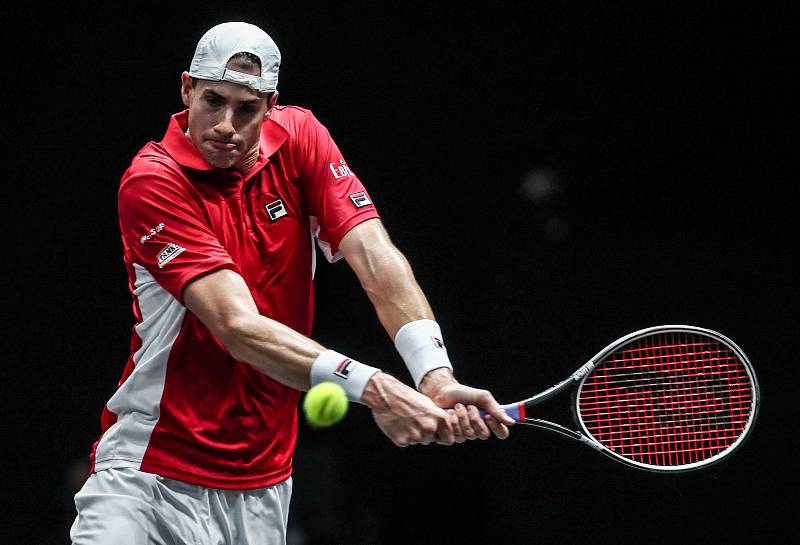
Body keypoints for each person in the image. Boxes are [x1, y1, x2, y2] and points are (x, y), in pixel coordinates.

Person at [70, 21, 514, 545]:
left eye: (246, 109)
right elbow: (237, 326)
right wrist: (377, 390)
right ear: (186, 88)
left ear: (271, 104)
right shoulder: (154, 181)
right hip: (147, 481)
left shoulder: (302, 137)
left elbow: (375, 258)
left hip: (263, 490)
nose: (225, 125)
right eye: (213, 101)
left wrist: (434, 374)